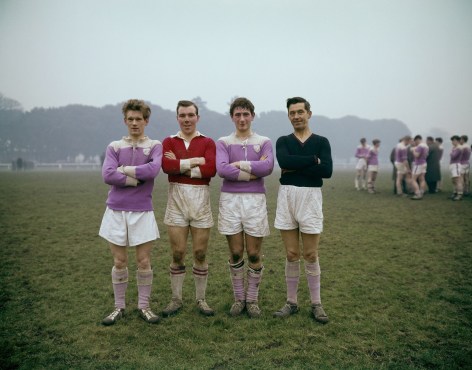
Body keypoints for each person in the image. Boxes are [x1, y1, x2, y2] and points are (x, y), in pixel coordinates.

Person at [99, 99, 162, 325]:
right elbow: (107, 175)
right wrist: (137, 177)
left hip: (142, 210)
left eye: (139, 119)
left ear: (146, 121)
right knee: (119, 261)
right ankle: (119, 307)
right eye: (130, 119)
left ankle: (144, 306)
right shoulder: (114, 146)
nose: (134, 123)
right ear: (125, 121)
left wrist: (123, 171)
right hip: (116, 210)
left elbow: (153, 170)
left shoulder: (155, 145)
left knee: (144, 261)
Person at [273, 97, 333, 324]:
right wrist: (312, 161)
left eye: (300, 112)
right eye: (292, 113)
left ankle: (316, 304)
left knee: (310, 254)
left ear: (309, 113)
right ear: (288, 116)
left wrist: (295, 165)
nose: (296, 116)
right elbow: (283, 161)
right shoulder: (283, 140)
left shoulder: (322, 141)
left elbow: (326, 171)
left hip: (311, 198)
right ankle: (291, 302)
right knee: (291, 254)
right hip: (287, 196)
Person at [216, 97, 274, 318]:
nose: (242, 118)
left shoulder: (264, 141)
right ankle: (239, 298)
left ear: (252, 116)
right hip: (230, 200)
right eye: (238, 114)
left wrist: (239, 165)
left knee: (253, 253)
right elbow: (221, 169)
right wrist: (253, 170)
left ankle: (252, 300)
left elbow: (268, 167)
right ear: (232, 117)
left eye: (246, 114)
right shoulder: (223, 142)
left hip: (255, 200)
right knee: (236, 251)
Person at [161, 100, 217, 317]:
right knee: (178, 253)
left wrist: (181, 165)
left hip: (201, 202)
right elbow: (167, 167)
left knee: (200, 253)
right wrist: (196, 162)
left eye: (190, 115)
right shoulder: (169, 141)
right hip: (176, 202)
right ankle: (176, 299)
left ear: (197, 118)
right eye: (182, 115)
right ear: (177, 118)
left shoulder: (208, 142)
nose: (186, 119)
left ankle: (201, 299)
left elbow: (211, 169)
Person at [410, 135, 429, 200]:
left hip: (418, 164)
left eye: (415, 141)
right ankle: (421, 192)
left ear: (417, 139)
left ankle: (417, 194)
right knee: (422, 179)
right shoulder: (426, 146)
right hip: (424, 163)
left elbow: (416, 155)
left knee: (413, 179)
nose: (415, 143)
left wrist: (413, 151)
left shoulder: (419, 146)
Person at [449, 135, 463, 201]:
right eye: (452, 140)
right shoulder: (454, 148)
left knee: (457, 180)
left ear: (457, 140)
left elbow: (453, 156)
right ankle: (455, 192)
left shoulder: (459, 148)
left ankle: (459, 194)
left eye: (453, 140)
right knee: (454, 180)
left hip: (456, 165)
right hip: (453, 165)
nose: (452, 142)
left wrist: (451, 152)